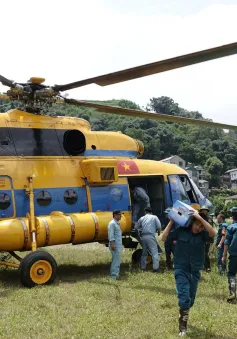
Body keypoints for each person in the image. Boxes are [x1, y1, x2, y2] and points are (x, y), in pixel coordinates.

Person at [161, 210, 216, 337]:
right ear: (191, 223)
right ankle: (182, 327)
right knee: (184, 298)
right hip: (181, 268)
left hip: (195, 270)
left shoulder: (203, 234)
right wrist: (171, 222)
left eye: (201, 226)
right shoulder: (181, 230)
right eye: (197, 224)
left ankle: (183, 312)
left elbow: (213, 233)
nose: (198, 228)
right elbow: (163, 238)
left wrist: (201, 219)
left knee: (190, 301)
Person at [135, 207, 161, 272]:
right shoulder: (154, 217)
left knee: (144, 253)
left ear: (145, 212)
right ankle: (155, 268)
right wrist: (158, 232)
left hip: (143, 237)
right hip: (150, 236)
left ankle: (143, 268)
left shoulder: (142, 218)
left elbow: (136, 227)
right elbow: (159, 226)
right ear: (151, 212)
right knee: (154, 252)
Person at [222, 207, 237, 303]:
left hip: (234, 255)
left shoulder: (231, 227)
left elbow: (226, 242)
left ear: (232, 216)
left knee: (231, 274)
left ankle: (233, 293)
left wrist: (224, 255)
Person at [108, 210, 123, 279]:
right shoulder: (112, 224)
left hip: (118, 245)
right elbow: (111, 235)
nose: (121, 216)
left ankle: (115, 274)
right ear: (115, 215)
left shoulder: (117, 223)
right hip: (115, 245)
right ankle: (114, 276)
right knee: (116, 261)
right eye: (119, 215)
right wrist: (112, 244)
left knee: (117, 260)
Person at [199, 205, 214, 272]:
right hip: (201, 237)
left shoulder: (208, 218)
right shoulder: (200, 217)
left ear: (207, 211)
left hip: (207, 237)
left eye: (205, 210)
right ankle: (203, 266)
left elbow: (209, 229)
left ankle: (208, 267)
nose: (204, 211)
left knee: (205, 252)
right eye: (203, 210)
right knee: (202, 253)